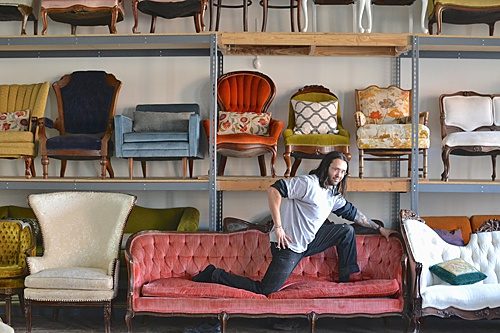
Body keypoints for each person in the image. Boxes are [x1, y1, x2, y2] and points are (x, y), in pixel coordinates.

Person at [192, 151, 395, 296]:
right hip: (287, 245)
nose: (339, 175)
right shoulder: (308, 184)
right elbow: (274, 190)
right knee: (265, 290)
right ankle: (214, 274)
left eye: (343, 172)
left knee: (346, 230)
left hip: (308, 242)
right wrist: (278, 227)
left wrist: (379, 228)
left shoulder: (333, 195)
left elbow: (354, 214)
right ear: (327, 167)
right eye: (336, 169)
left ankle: (345, 281)